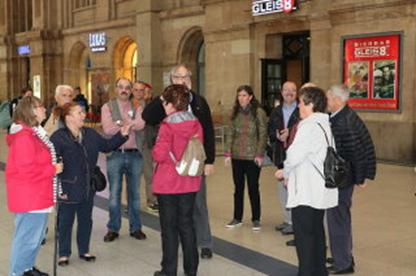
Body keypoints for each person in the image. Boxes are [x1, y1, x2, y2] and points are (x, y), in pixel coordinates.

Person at [142, 64, 215, 259]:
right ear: (172, 80)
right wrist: (164, 97)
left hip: (194, 162)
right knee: (178, 213)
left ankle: (205, 242)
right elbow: (147, 116)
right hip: (172, 167)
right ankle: (182, 246)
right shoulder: (164, 102)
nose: (183, 81)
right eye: (178, 78)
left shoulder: (199, 102)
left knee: (199, 204)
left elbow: (208, 131)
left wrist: (210, 161)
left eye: (186, 78)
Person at [50, 102, 132, 267]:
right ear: (68, 117)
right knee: (65, 222)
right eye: (79, 112)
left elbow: (107, 146)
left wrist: (122, 135)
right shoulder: (58, 137)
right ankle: (64, 253)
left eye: (83, 112)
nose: (84, 115)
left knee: (86, 220)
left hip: (88, 186)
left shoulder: (90, 134)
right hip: (67, 187)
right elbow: (50, 162)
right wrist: (57, 187)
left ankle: (83, 250)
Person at [275, 86, 338, 276]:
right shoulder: (324, 124)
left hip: (307, 192)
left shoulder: (309, 126)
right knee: (317, 234)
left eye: (301, 103)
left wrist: (283, 172)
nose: (299, 106)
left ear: (310, 104)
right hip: (319, 191)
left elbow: (293, 156)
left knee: (304, 239)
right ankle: (319, 272)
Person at [5, 96, 63, 276]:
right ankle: (17, 272)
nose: (44, 110)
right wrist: (53, 169)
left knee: (35, 238)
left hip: (37, 195)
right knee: (26, 239)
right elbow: (27, 171)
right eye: (41, 107)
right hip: (29, 197)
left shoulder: (33, 133)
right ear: (31, 111)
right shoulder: (24, 138)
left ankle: (26, 268)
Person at [152, 84, 203, 276]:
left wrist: (154, 149)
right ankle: (191, 271)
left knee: (169, 228)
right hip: (189, 181)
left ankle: (169, 270)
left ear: (172, 104)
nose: (164, 105)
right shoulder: (196, 123)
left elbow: (160, 154)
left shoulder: (167, 125)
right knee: (187, 226)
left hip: (168, 183)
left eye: (165, 102)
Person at [326, 84, 376, 275]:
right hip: (345, 176)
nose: (327, 102)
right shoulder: (344, 115)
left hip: (342, 178)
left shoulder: (343, 121)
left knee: (337, 218)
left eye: (329, 98)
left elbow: (357, 152)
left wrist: (361, 177)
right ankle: (343, 255)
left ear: (338, 100)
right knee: (341, 218)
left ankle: (343, 263)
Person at [101, 77, 147, 242]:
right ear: (116, 89)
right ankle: (113, 228)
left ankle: (136, 228)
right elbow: (108, 128)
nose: (124, 90)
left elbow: (142, 123)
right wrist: (129, 125)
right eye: (121, 87)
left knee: (134, 194)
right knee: (114, 194)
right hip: (115, 154)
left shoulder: (137, 105)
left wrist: (123, 123)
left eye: (127, 87)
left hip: (135, 154)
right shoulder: (107, 107)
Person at [224, 85, 267, 231]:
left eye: (244, 95)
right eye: (239, 96)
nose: (241, 98)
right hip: (237, 156)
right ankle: (237, 218)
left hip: (253, 157)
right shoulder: (234, 112)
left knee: (253, 188)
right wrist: (228, 153)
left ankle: (256, 218)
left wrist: (260, 154)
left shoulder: (258, 113)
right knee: (238, 188)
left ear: (250, 97)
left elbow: (262, 134)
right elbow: (230, 133)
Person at [268, 81, 299, 238]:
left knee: (295, 189)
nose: (289, 93)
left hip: (297, 158)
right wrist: (277, 136)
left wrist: (292, 135)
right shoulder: (276, 112)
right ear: (281, 92)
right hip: (281, 155)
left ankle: (295, 222)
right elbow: (270, 132)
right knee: (282, 190)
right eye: (286, 90)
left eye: (293, 90)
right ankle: (287, 220)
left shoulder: (302, 111)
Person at [132, 81, 159, 212]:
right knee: (133, 176)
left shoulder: (151, 106)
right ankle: (132, 203)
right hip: (133, 144)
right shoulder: (129, 105)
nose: (141, 93)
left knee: (149, 174)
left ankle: (152, 200)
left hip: (147, 144)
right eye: (137, 90)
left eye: (143, 91)